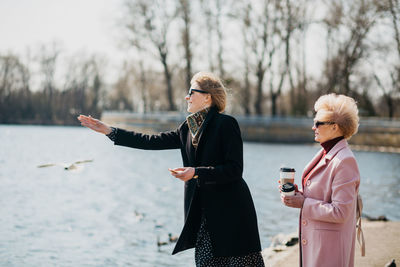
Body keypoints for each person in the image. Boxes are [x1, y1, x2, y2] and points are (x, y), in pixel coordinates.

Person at [78, 72, 264, 266]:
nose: (187, 97)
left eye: (192, 92)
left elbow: (235, 169)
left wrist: (196, 172)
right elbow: (150, 141)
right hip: (203, 215)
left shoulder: (226, 124)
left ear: (207, 97)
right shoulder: (186, 128)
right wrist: (110, 131)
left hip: (232, 213)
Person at [280, 93, 361, 267]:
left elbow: (341, 211)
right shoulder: (326, 153)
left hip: (329, 250)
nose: (313, 127)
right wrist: (297, 194)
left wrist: (303, 203)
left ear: (335, 127)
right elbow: (320, 196)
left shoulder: (345, 160)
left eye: (318, 123)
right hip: (318, 245)